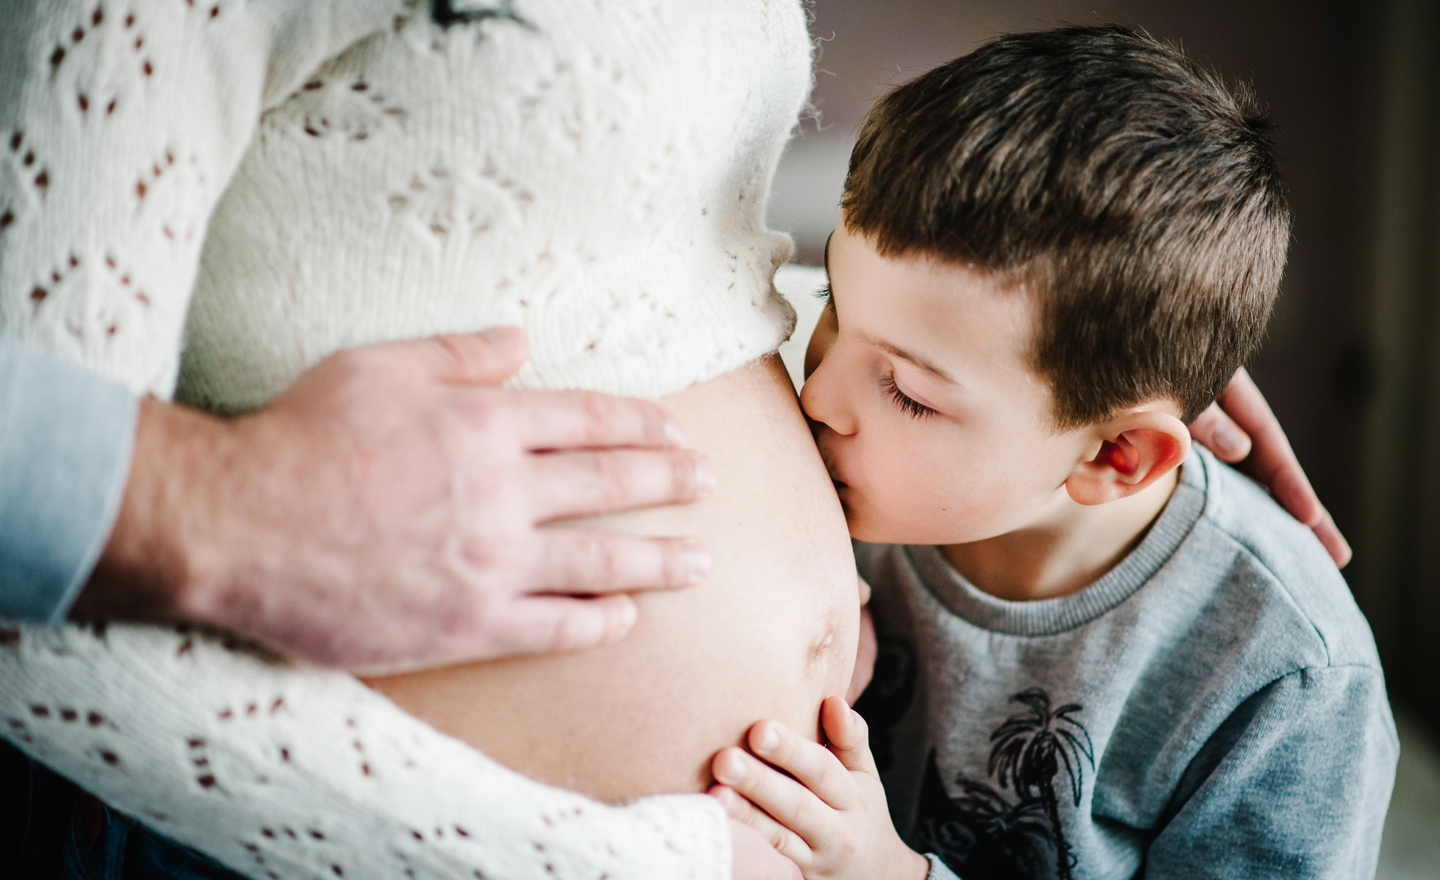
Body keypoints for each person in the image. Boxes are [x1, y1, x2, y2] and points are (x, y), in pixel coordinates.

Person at [0, 2, 1345, 877]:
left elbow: (650, 253)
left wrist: (1103, 329)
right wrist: (613, 855)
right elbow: (35, 613)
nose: (819, 401)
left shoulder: (1271, 662)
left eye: (914, 392)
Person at [709, 27, 1395, 880]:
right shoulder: (864, 482)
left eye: (909, 392)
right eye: (834, 307)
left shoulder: (1284, 677)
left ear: (1117, 455)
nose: (815, 399)